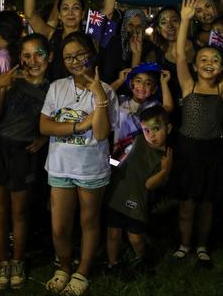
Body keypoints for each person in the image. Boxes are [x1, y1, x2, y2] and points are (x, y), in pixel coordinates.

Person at [171, 0, 223, 269]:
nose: (208, 63)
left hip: (212, 153)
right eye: (203, 59)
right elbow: (180, 55)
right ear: (196, 65)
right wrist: (184, 21)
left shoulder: (222, 90)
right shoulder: (187, 86)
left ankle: (202, 246)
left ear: (221, 67)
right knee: (187, 204)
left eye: (214, 60)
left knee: (206, 204)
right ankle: (184, 245)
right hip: (187, 151)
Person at [40, 32, 119, 295]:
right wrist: (77, 126)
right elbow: (44, 126)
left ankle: (83, 271)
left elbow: (100, 133)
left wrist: (99, 95)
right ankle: (63, 266)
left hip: (91, 168)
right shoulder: (57, 87)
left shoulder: (106, 89)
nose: (74, 61)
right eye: (68, 57)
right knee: (59, 225)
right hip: (60, 166)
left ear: (91, 53)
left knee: (89, 220)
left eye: (80, 55)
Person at [0, 33, 51, 290]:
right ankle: (4, 261)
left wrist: (44, 137)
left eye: (39, 54)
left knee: (20, 211)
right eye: (27, 55)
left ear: (49, 56)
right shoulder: (9, 81)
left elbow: (55, 121)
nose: (33, 60)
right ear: (19, 58)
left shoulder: (53, 88)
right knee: (0, 210)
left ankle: (18, 261)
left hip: (24, 152)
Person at [104, 105, 172, 274]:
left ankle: (141, 260)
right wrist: (110, 162)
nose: (152, 135)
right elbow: (117, 158)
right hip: (116, 194)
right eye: (146, 130)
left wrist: (164, 171)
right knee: (113, 233)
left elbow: (149, 184)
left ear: (168, 128)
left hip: (136, 200)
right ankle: (113, 264)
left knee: (135, 237)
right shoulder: (137, 140)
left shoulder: (166, 156)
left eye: (156, 129)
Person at [24, 0, 116, 81]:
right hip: (56, 96)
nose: (70, 13)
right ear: (59, 15)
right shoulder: (51, 35)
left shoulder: (91, 37)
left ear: (82, 14)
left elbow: (108, 12)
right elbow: (30, 15)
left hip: (85, 95)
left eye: (76, 8)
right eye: (65, 8)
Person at [109, 63, 172, 160]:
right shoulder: (121, 100)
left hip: (138, 155)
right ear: (131, 84)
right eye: (138, 81)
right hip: (115, 151)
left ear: (154, 89)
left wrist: (164, 83)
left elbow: (168, 108)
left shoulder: (153, 106)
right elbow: (103, 96)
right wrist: (120, 80)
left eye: (148, 83)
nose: (142, 86)